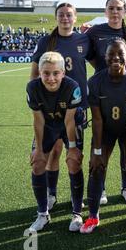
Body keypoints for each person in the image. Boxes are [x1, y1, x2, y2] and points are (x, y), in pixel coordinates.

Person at [80, 37, 126, 233]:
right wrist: (96, 149)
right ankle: (93, 216)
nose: (116, 58)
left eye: (120, 54)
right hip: (106, 131)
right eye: (111, 54)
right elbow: (97, 120)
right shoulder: (95, 81)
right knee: (96, 166)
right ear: (105, 56)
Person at [31, 2, 93, 211]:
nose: (65, 18)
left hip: (77, 106)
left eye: (69, 15)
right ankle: (51, 194)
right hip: (50, 106)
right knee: (54, 152)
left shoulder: (84, 39)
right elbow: (35, 73)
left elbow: (98, 63)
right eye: (61, 15)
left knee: (74, 155)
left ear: (75, 18)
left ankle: (76, 202)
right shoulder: (46, 41)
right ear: (56, 17)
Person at [84, 0, 126, 204]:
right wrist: (101, 72)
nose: (115, 12)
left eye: (119, 9)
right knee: (102, 140)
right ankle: (102, 188)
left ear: (125, 11)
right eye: (111, 8)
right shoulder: (95, 32)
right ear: (105, 11)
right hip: (103, 92)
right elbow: (89, 55)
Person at [26, 51, 84, 232]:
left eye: (56, 73)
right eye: (46, 73)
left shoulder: (72, 86)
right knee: (37, 163)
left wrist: (73, 148)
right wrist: (38, 149)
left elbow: (69, 121)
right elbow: (38, 120)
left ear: (63, 73)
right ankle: (43, 214)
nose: (51, 78)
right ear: (40, 73)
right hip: (48, 125)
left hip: (70, 124)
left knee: (73, 162)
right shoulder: (32, 88)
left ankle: (77, 213)